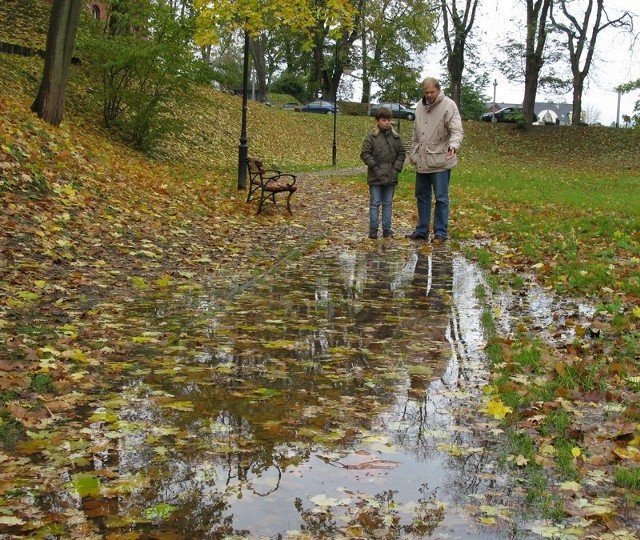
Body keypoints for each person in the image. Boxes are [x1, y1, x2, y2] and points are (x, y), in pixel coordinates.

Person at [406, 77, 463, 243]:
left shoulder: (449, 106)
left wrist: (453, 146)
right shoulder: (419, 106)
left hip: (441, 159)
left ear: (438, 90)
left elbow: (457, 130)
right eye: (426, 92)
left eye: (432, 92)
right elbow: (416, 134)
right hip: (422, 159)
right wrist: (413, 153)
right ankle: (422, 230)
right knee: (422, 196)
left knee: (441, 198)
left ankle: (440, 232)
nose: (429, 95)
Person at [360, 107, 406, 239]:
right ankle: (373, 229)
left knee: (387, 203)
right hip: (375, 176)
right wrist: (375, 168)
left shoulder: (396, 138)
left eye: (388, 120)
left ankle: (387, 229)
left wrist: (396, 169)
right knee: (375, 203)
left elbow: (401, 154)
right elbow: (365, 153)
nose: (386, 122)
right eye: (383, 120)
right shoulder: (371, 138)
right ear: (378, 121)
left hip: (391, 175)